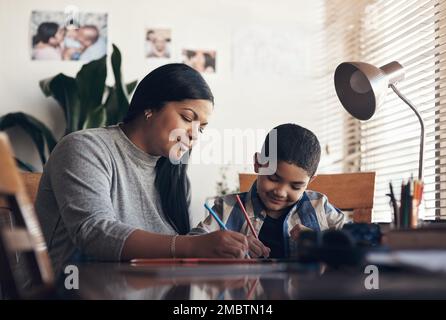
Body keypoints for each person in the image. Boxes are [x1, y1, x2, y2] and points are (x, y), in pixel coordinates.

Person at [35, 63, 249, 276]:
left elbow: (174, 245)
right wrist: (191, 246)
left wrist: (224, 243)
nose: (194, 134)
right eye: (187, 118)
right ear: (150, 107)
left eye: (201, 128)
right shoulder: (85, 148)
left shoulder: (175, 175)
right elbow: (94, 233)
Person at [190, 123, 345, 258]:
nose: (281, 192)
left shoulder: (319, 207)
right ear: (258, 163)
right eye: (273, 178)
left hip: (307, 292)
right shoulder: (228, 208)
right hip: (242, 290)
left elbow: (361, 243)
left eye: (296, 186)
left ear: (310, 181)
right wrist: (224, 244)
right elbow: (193, 241)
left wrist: (319, 240)